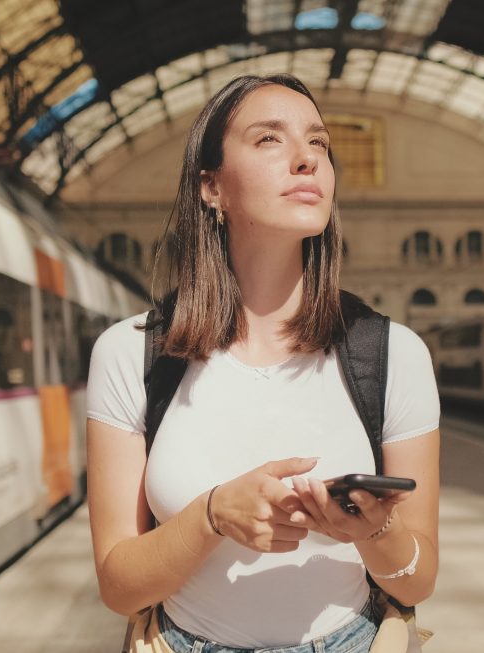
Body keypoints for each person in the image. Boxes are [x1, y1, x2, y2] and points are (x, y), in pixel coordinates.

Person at [86, 73, 440, 653]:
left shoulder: (392, 353)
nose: (307, 160)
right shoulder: (133, 352)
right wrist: (212, 517)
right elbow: (120, 587)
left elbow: (420, 578)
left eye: (319, 144)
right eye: (270, 140)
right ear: (211, 187)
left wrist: (375, 530)